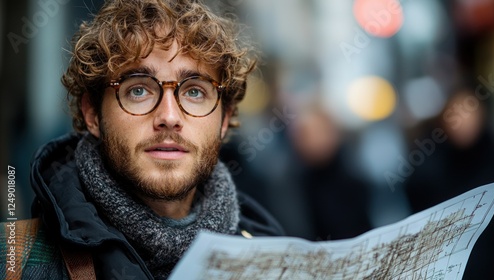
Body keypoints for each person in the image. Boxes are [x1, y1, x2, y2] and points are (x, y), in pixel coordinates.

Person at [0, 0, 284, 279]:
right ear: (92, 114)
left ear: (224, 119)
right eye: (138, 90)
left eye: (195, 91)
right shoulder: (14, 261)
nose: (169, 116)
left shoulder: (273, 260)